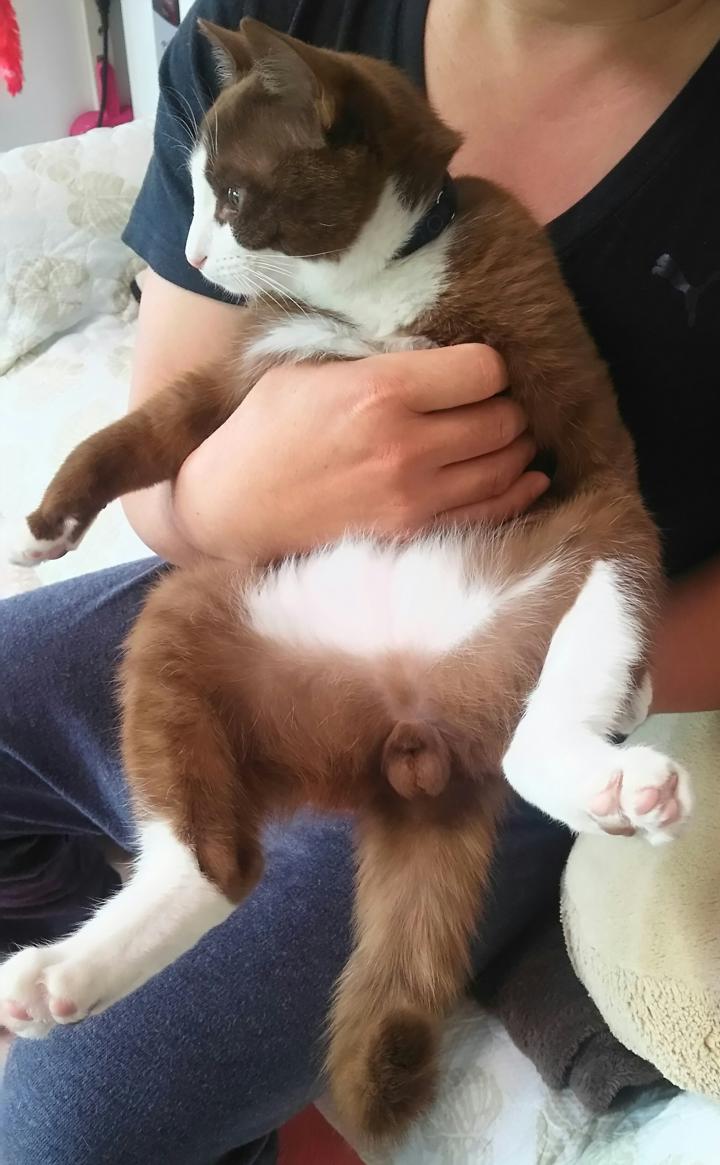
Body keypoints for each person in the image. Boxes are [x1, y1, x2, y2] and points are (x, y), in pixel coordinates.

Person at [2, 0, 720, 1160]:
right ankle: (104, 865)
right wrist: (224, 498)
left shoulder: (488, 240)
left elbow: (601, 488)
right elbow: (176, 446)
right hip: (267, 601)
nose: (210, 241)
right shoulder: (270, 37)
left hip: (499, 660)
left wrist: (556, 687)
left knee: (62, 1123)